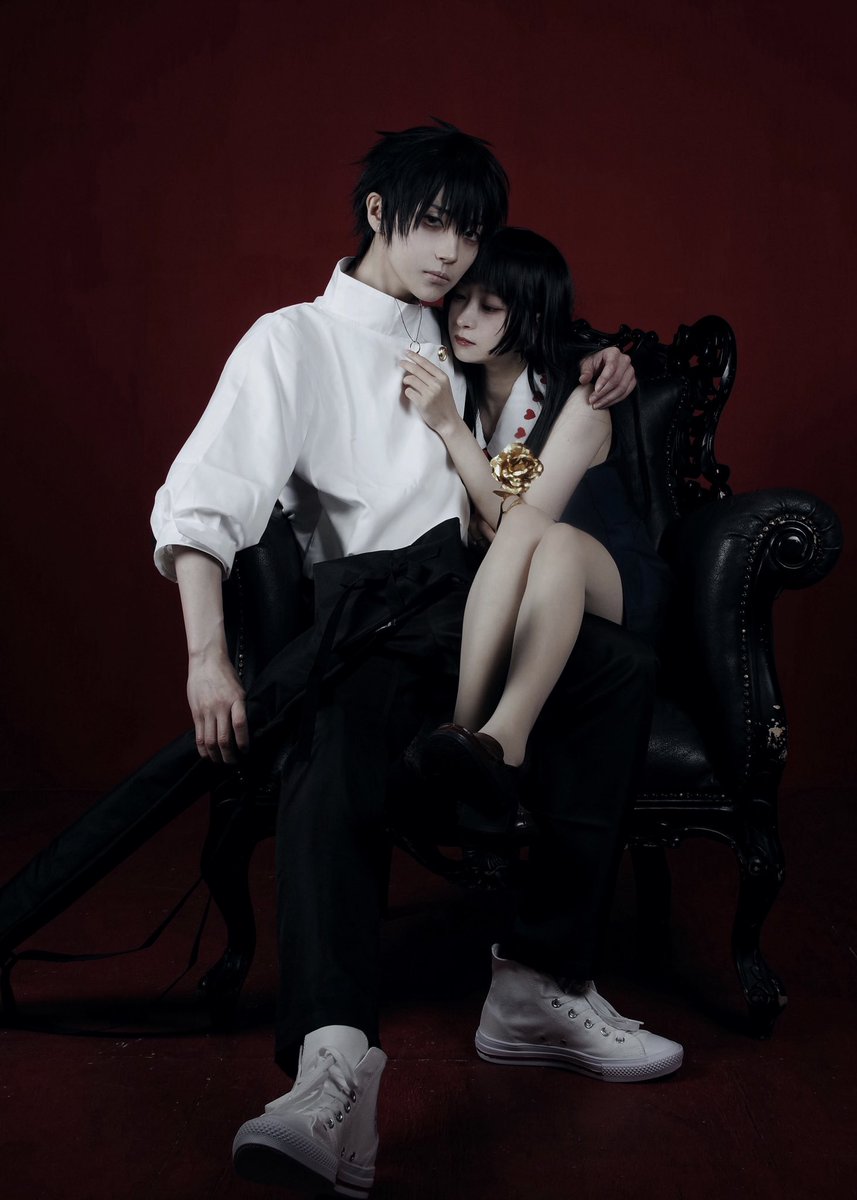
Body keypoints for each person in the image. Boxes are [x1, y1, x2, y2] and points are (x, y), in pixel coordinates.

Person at [150, 122, 676, 1199]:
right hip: (377, 612)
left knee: (618, 669)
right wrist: (207, 658)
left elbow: (533, 361)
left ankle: (536, 983)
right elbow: (204, 501)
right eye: (433, 224)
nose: (449, 254)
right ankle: (330, 1065)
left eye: (467, 233)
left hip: (485, 599)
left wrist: (603, 361)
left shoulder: (455, 328)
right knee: (332, 734)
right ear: (378, 212)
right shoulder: (290, 341)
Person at [402, 228, 673, 824]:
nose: (464, 318)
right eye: (460, 298)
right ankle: (474, 746)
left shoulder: (581, 398)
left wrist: (450, 429)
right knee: (538, 534)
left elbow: (514, 523)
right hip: (531, 579)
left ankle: (477, 728)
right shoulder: (458, 382)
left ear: (532, 316)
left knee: (544, 533)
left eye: (490, 307)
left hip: (613, 579)